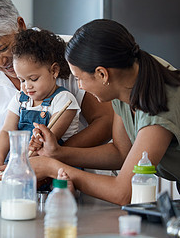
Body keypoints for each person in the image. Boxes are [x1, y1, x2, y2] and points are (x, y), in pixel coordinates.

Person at [0, 0, 113, 171]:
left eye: (3, 48)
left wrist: (52, 154)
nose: (0, 62)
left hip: (72, 179)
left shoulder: (69, 55)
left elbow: (105, 121)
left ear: (20, 25)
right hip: (15, 183)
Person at [29, 19, 180, 205]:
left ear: (102, 74)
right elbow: (120, 153)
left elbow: (123, 192)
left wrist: (52, 167)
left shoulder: (158, 109)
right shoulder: (127, 78)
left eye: (78, 79)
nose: (80, 87)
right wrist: (58, 153)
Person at [0, 28, 80, 165]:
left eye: (33, 79)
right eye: (22, 80)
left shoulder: (64, 100)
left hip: (52, 166)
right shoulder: (20, 99)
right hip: (20, 164)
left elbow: (46, 142)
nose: (27, 86)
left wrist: (21, 166)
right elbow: (6, 131)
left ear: (54, 71)